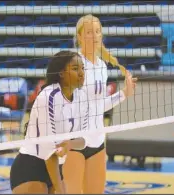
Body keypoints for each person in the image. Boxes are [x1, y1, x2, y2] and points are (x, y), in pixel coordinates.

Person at [62, 14, 137, 194]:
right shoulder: (72, 63)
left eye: (97, 31)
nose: (94, 36)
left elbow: (99, 106)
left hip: (97, 141)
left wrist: (124, 94)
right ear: (79, 37)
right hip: (75, 141)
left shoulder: (102, 67)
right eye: (89, 32)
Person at [10, 51, 89, 194]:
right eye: (75, 69)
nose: (81, 73)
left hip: (56, 166)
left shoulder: (81, 97)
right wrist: (60, 190)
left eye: (83, 68)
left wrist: (70, 143)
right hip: (31, 167)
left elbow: (84, 140)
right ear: (61, 73)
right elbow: (48, 151)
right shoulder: (49, 97)